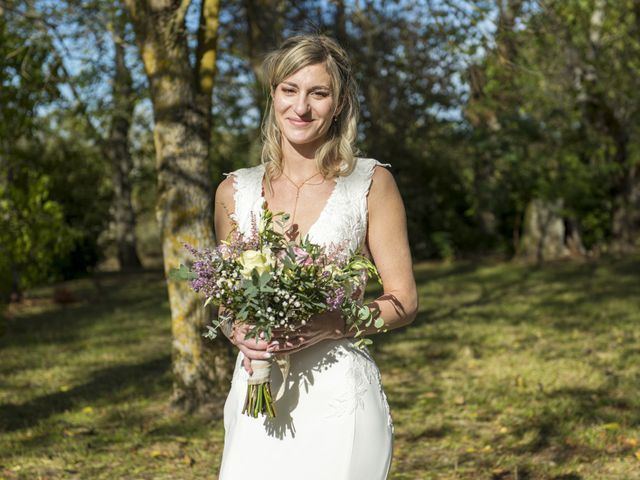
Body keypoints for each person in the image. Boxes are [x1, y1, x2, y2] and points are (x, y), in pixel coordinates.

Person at [214, 34, 417, 480]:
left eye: (318, 93)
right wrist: (239, 333)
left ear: (339, 103)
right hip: (256, 396)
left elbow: (404, 302)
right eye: (290, 90)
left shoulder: (371, 182)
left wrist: (333, 323)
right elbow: (227, 303)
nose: (301, 107)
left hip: (340, 403)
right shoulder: (234, 191)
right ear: (273, 95)